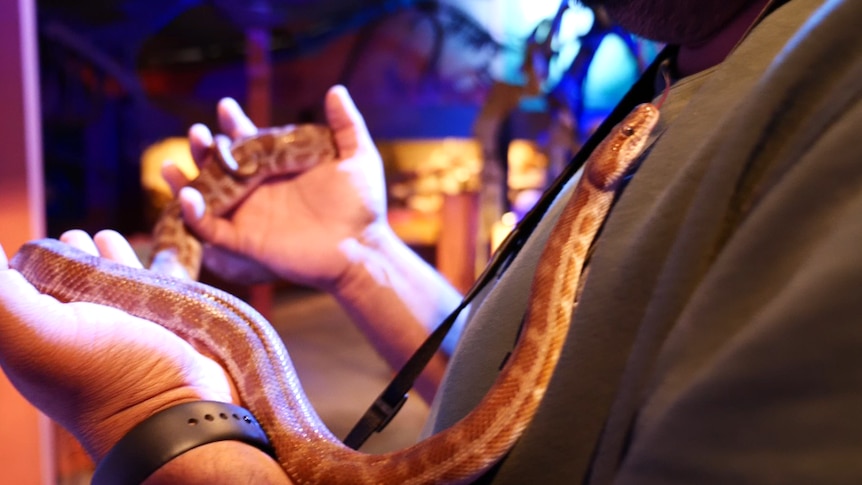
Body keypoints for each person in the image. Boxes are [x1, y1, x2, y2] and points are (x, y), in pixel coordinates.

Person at [2, 0, 861, 482]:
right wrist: (364, 254)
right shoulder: (687, 57)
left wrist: (151, 414)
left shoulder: (836, 92)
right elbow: (557, 401)